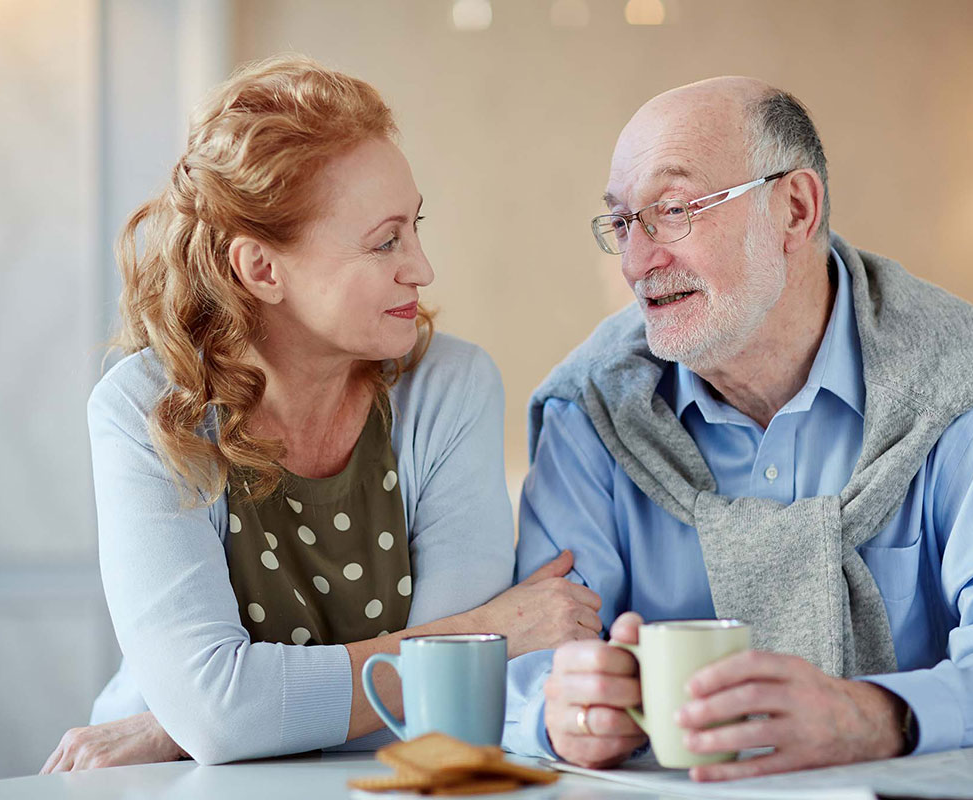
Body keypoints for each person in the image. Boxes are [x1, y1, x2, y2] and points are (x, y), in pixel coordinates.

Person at [502, 77, 973, 781]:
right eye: (623, 223)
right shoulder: (591, 410)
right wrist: (561, 711)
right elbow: (530, 662)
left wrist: (871, 716)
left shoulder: (966, 389)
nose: (638, 262)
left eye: (672, 210)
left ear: (794, 208)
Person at [41, 55, 603, 772]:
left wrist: (200, 719)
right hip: (160, 781)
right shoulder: (146, 409)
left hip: (301, 768)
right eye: (386, 241)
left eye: (415, 227)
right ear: (262, 270)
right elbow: (227, 713)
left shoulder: (450, 386)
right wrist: (489, 627)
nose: (422, 269)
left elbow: (448, 707)